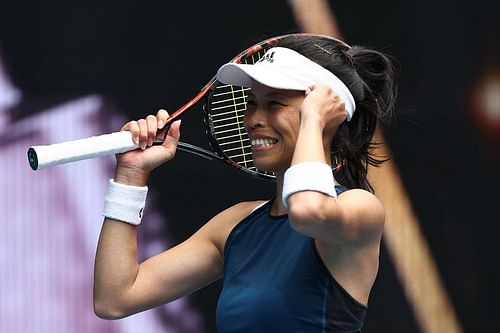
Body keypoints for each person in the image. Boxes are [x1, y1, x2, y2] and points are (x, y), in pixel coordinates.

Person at [93, 34, 397, 332]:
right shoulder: (235, 225)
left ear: (327, 114)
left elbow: (306, 211)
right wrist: (130, 176)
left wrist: (314, 121)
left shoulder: (360, 207)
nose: (253, 118)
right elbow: (115, 298)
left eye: (274, 103)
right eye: (252, 102)